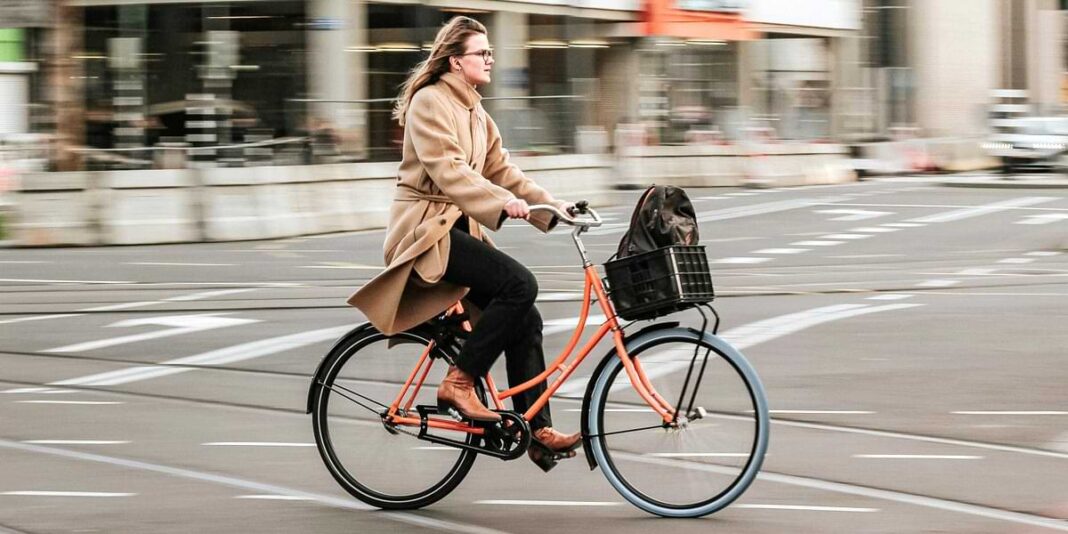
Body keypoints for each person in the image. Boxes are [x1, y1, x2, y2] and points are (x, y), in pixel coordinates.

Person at [348, 16, 581, 468]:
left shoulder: (476, 111)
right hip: (426, 230)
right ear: (456, 61)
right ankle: (459, 382)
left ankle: (535, 428)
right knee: (520, 284)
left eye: (491, 51)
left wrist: (554, 207)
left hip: (456, 229)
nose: (490, 58)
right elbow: (450, 171)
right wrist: (501, 203)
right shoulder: (429, 103)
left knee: (526, 317)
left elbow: (503, 171)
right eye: (482, 52)